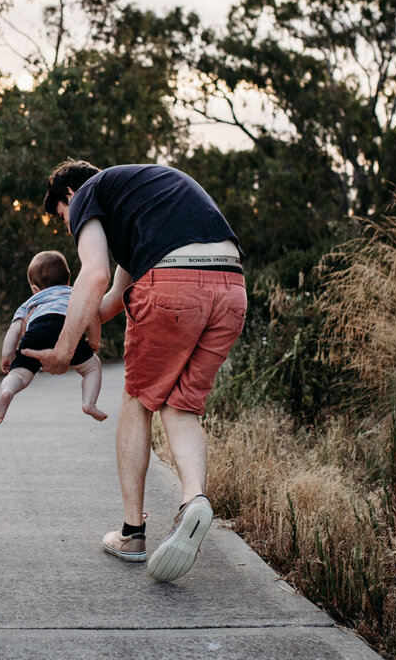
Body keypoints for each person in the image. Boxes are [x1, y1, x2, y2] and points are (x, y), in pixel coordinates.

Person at [24, 161, 247, 584]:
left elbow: (94, 275)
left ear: (70, 195)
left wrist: (62, 352)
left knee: (137, 400)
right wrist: (72, 323)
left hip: (174, 281)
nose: (67, 226)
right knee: (180, 406)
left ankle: (132, 534)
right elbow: (109, 299)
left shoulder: (88, 190)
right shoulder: (142, 205)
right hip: (231, 285)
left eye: (61, 217)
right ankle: (193, 500)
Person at [0, 250, 104, 425]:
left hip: (36, 333)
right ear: (68, 280)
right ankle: (89, 403)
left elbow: (14, 329)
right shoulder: (76, 294)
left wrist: (8, 354)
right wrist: (93, 342)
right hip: (66, 330)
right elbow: (93, 316)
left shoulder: (30, 303)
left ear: (35, 289)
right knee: (92, 368)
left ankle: (7, 393)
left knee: (19, 375)